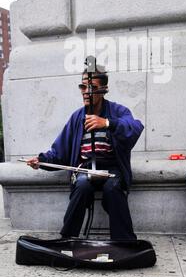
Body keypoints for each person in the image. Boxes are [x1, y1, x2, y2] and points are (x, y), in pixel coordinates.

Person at [27, 62, 144, 240]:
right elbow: (60, 153)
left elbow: (134, 128)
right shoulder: (77, 117)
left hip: (112, 169)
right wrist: (41, 161)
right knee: (81, 185)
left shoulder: (118, 111)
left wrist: (106, 123)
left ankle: (124, 242)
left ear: (104, 89)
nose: (86, 92)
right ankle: (67, 239)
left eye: (92, 87)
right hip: (85, 169)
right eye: (83, 86)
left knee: (113, 188)